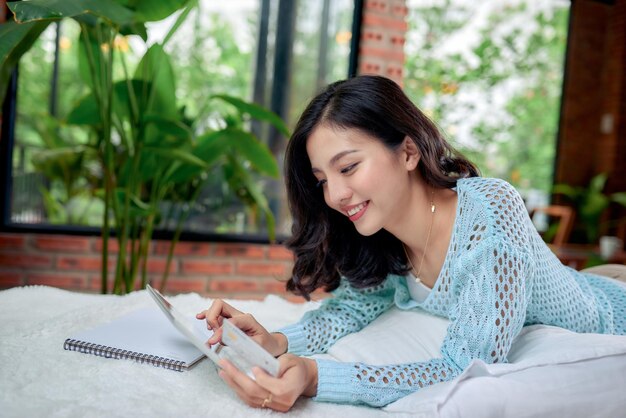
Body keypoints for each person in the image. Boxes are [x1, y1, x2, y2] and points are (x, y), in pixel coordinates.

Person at [196, 75, 626, 411]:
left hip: (611, 304)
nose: (334, 196)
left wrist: (316, 377)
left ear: (407, 152)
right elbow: (352, 308)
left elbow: (465, 367)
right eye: (323, 180)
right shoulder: (382, 233)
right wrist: (274, 342)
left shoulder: (489, 211)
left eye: (348, 167)